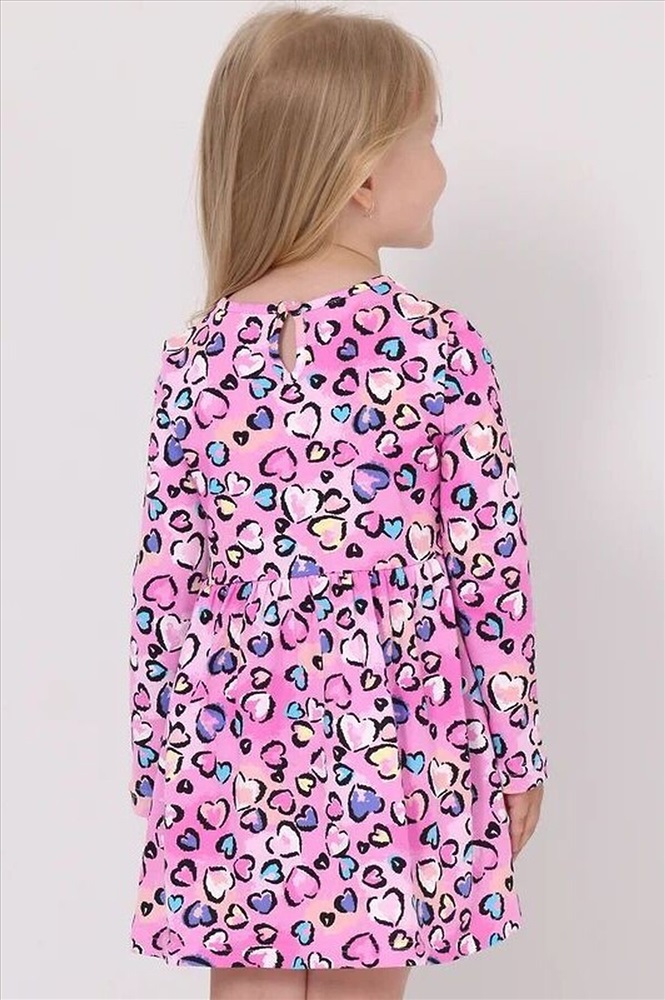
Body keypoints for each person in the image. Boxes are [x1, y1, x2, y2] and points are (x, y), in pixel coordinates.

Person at [127, 5, 549, 999]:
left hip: (231, 732)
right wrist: (514, 749)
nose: (440, 168)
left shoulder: (195, 357)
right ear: (363, 179)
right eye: (426, 140)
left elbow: (165, 586)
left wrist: (158, 760)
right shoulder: (436, 348)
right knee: (366, 966)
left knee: (250, 970)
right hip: (391, 727)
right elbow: (487, 571)